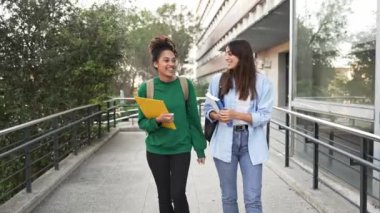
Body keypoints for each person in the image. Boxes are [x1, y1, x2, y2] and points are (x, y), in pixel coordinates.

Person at [137, 35, 207, 213]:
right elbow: (142, 122)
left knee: (178, 194)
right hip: (156, 150)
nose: (171, 64)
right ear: (156, 64)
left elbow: (193, 118)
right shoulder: (147, 88)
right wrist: (158, 121)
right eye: (166, 60)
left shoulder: (185, 85)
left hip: (181, 149)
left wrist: (199, 147)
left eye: (173, 60)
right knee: (164, 196)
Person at [204, 40, 274, 213]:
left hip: (251, 143)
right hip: (224, 142)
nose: (226, 57)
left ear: (242, 55)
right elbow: (207, 109)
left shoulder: (262, 82)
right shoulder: (218, 80)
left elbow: (265, 116)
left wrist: (236, 114)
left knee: (253, 200)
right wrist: (216, 115)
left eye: (230, 53)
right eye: (225, 53)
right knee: (228, 197)